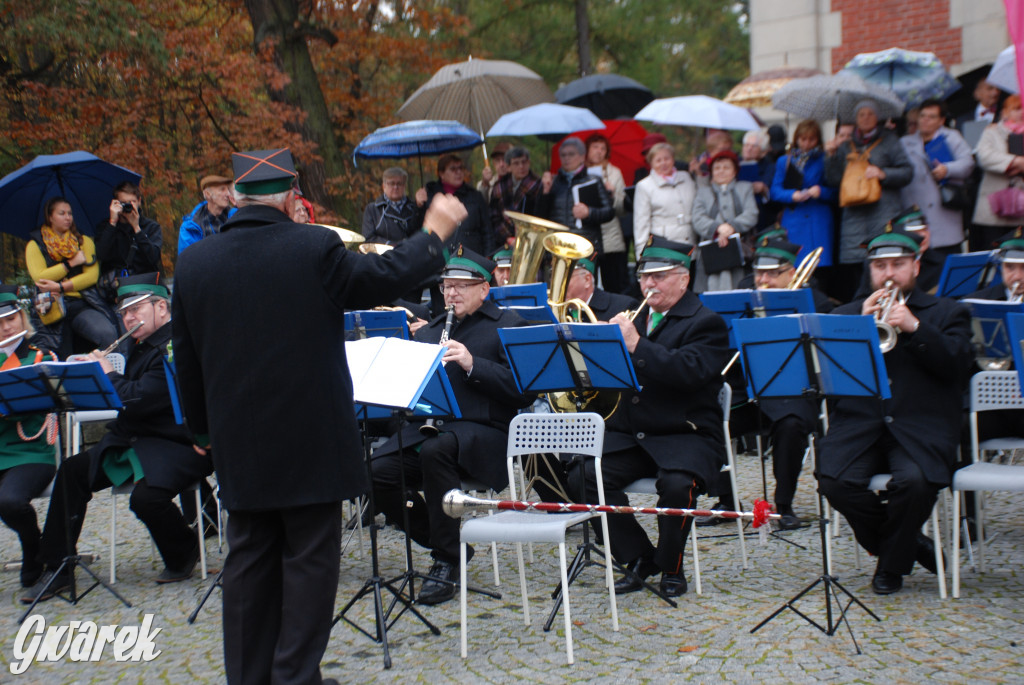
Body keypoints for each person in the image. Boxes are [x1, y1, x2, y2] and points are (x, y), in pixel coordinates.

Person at [172, 147, 464, 684]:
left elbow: (186, 362)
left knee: (248, 561)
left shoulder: (194, 263)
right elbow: (383, 277)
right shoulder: (314, 245)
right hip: (311, 440)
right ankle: (295, 677)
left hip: (238, 441)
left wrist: (201, 432)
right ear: (288, 196)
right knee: (309, 562)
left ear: (234, 196)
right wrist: (434, 233)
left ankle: (250, 677)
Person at [22, 273, 214, 604]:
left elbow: (138, 398)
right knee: (71, 471)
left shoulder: (174, 347)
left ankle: (184, 551)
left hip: (178, 443)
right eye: (124, 313)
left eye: (136, 309)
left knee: (145, 499)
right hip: (137, 438)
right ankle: (57, 569)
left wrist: (107, 373)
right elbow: (127, 400)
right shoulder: (141, 345)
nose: (128, 318)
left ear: (162, 307)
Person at [567, 236, 731, 598]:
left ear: (684, 279)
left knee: (676, 485)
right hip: (635, 431)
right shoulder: (635, 315)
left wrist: (637, 345)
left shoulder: (706, 322)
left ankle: (671, 566)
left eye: (659, 277)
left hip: (684, 431)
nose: (648, 285)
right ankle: (640, 558)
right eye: (644, 277)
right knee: (582, 476)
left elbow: (690, 372)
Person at [370, 247, 531, 606]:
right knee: (375, 472)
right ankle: (447, 542)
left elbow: (523, 392)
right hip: (428, 429)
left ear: (484, 289)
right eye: (446, 287)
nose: (451, 294)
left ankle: (445, 562)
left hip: (483, 432)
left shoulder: (509, 324)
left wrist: (474, 364)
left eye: (461, 286)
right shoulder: (429, 331)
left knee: (435, 450)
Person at [817, 224, 972, 595]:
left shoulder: (947, 312)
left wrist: (916, 328)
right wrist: (857, 324)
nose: (888, 274)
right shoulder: (848, 315)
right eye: (880, 266)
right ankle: (909, 544)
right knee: (833, 482)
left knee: (916, 483)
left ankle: (890, 566)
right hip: (860, 426)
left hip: (920, 426)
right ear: (869, 270)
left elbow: (959, 366)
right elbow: (826, 376)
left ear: (916, 266)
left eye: (898, 264)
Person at [723, 233, 833, 529]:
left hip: (795, 395)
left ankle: (784, 504)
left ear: (792, 273)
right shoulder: (742, 299)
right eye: (760, 273)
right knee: (708, 418)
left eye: (774, 274)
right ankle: (725, 499)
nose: (764, 280)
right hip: (749, 394)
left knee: (792, 426)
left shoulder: (817, 302)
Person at [824, 100, 913, 301]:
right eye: (861, 114)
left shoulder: (890, 140)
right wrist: (831, 156)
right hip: (854, 215)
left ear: (877, 117)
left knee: (882, 260)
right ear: (855, 119)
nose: (866, 118)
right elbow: (834, 179)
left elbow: (907, 172)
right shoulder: (847, 145)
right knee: (857, 268)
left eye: (870, 114)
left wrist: (883, 173)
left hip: (883, 211)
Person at [0, 286, 58, 588]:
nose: (7, 327)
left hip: (31, 453)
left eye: (12, 318)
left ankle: (34, 547)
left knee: (10, 502)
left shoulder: (40, 356)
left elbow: (32, 407)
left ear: (22, 319)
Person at [26, 196, 120, 358]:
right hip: (50, 309)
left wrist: (60, 287)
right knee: (55, 355)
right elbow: (40, 278)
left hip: (81, 303)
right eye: (62, 213)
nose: (68, 217)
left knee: (107, 334)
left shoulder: (83, 241)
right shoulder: (35, 245)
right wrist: (70, 263)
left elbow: (91, 276)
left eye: (70, 213)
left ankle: (112, 375)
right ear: (50, 217)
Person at [899, 99, 974, 290]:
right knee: (921, 273)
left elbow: (968, 163)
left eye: (931, 117)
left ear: (941, 121)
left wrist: (947, 169)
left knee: (947, 270)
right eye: (923, 115)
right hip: (915, 214)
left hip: (945, 213)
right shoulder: (906, 142)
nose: (925, 120)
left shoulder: (952, 137)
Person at [770, 119, 837, 275]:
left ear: (818, 140)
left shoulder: (824, 159)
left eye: (811, 139)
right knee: (794, 266)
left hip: (817, 220)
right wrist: (792, 195)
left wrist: (821, 191)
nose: (807, 143)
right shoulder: (784, 161)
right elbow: (775, 190)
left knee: (819, 268)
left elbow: (836, 190)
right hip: (794, 220)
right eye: (803, 139)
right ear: (796, 139)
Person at [691, 150, 759, 292]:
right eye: (717, 168)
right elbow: (697, 217)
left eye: (726, 167)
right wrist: (718, 229)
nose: (721, 171)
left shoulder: (745, 188)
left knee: (739, 289)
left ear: (735, 171)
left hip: (739, 249)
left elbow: (751, 213)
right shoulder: (703, 192)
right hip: (711, 251)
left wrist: (731, 227)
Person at [537, 137, 615, 255]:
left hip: (585, 245)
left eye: (571, 154)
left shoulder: (593, 180)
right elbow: (540, 217)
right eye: (563, 155)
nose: (567, 158)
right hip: (558, 246)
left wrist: (589, 212)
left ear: (582, 157)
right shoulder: (553, 182)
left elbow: (609, 212)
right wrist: (545, 192)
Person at [972, 95, 1024, 252]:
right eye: (1016, 109)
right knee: (993, 250)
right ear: (1005, 112)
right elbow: (984, 156)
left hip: (1021, 206)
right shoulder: (992, 131)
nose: (1021, 112)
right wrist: (1015, 162)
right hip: (995, 206)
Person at [633, 142, 698, 259]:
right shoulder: (644, 186)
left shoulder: (687, 177)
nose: (663, 163)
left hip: (691, 244)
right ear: (651, 164)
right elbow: (641, 223)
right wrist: (641, 254)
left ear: (673, 159)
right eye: (658, 160)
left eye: (667, 158)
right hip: (666, 248)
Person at [417, 153, 492, 256]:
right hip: (441, 258)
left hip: (471, 258)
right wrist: (419, 206)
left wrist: (488, 258)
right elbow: (420, 230)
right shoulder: (430, 196)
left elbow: (487, 232)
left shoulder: (475, 196)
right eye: (453, 169)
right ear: (441, 174)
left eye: (461, 168)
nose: (459, 172)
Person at [585, 133, 630, 294]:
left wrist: (612, 195)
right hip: (587, 236)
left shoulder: (614, 173)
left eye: (603, 148)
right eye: (595, 147)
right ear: (587, 149)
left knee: (614, 284)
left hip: (610, 236)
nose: (599, 151)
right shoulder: (579, 172)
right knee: (587, 284)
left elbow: (623, 208)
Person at [95, 181, 164, 281]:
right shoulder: (106, 227)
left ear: (139, 201)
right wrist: (112, 223)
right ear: (115, 203)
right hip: (116, 286)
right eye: (124, 203)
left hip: (146, 283)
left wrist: (137, 229)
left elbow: (153, 259)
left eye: (132, 202)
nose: (129, 206)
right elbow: (101, 255)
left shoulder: (151, 227)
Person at [489, 146, 542, 247]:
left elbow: (541, 216)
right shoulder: (499, 186)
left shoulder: (538, 184)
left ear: (529, 163)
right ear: (509, 167)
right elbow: (494, 217)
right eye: (516, 163)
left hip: (531, 241)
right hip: (504, 242)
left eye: (524, 162)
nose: (521, 166)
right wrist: (507, 237)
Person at [563, 257, 638, 321]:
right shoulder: (554, 311)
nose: (560, 285)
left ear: (587, 280)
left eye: (566, 278)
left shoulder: (623, 307)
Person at [361, 167, 423, 244]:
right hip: (383, 255)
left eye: (399, 184)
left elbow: (422, 235)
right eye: (392, 183)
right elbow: (368, 238)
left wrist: (420, 208)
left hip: (410, 254)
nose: (395, 187)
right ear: (384, 186)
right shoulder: (372, 209)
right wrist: (392, 246)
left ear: (404, 186)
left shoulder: (414, 208)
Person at [177, 174, 236, 254]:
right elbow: (188, 260)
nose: (228, 194)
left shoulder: (237, 217)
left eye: (228, 190)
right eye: (222, 190)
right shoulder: (190, 227)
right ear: (208, 194)